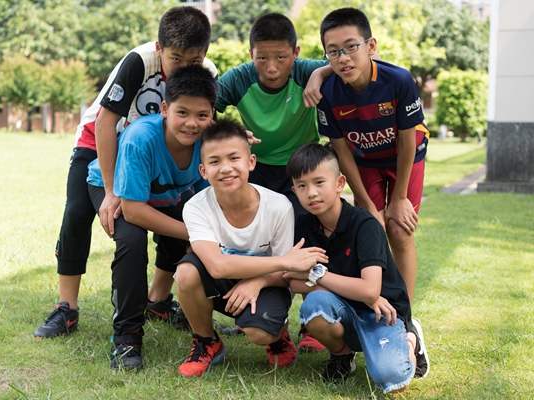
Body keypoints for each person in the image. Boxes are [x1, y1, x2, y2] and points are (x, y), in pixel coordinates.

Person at [34, 6, 217, 339]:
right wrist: (111, 191)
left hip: (152, 150)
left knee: (176, 208)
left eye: (194, 60)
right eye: (175, 59)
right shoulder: (140, 62)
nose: (183, 68)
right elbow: (106, 122)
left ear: (204, 55)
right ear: (160, 49)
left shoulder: (207, 72)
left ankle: (157, 300)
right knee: (78, 211)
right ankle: (66, 307)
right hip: (101, 140)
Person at [85, 64, 218, 370]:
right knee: (132, 241)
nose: (191, 123)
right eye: (182, 113)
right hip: (116, 190)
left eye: (202, 115)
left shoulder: (209, 141)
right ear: (164, 109)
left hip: (165, 195)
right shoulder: (141, 138)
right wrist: (192, 233)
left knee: (193, 227)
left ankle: (178, 310)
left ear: (212, 115)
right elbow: (133, 210)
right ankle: (126, 337)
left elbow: (206, 198)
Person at [214, 11, 332, 351]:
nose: (271, 67)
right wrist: (235, 135)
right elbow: (202, 109)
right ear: (250, 53)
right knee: (259, 241)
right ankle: (265, 316)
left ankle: (312, 322)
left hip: (301, 168)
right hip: (258, 169)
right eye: (262, 57)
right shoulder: (238, 79)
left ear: (296, 53)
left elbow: (345, 64)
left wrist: (320, 73)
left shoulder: (306, 71)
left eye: (281, 57)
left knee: (310, 238)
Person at [175, 119, 329, 377]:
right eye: (214, 161)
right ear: (203, 171)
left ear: (251, 162)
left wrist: (257, 282)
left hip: (268, 282)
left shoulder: (279, 206)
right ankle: (206, 341)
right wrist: (286, 261)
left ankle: (278, 336)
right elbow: (216, 266)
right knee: (186, 272)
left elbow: (287, 276)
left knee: (260, 334)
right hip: (222, 280)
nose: (226, 168)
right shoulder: (196, 207)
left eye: (234, 158)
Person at [284, 142, 430, 392]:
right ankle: (342, 356)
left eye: (319, 182)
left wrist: (317, 273)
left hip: (382, 312)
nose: (311, 193)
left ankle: (410, 338)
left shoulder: (365, 225)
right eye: (302, 186)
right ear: (294, 190)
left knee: (393, 381)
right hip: (343, 309)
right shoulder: (304, 225)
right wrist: (355, 291)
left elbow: (371, 292)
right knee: (314, 305)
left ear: (339, 183)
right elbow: (294, 282)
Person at [315, 7, 429, 306]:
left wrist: (399, 198)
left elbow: (406, 141)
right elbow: (341, 150)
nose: (343, 58)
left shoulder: (399, 80)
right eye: (333, 51)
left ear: (371, 46)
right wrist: (365, 202)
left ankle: (405, 315)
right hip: (364, 162)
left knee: (399, 229)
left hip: (405, 157)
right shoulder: (328, 93)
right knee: (371, 230)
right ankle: (373, 305)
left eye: (351, 46)